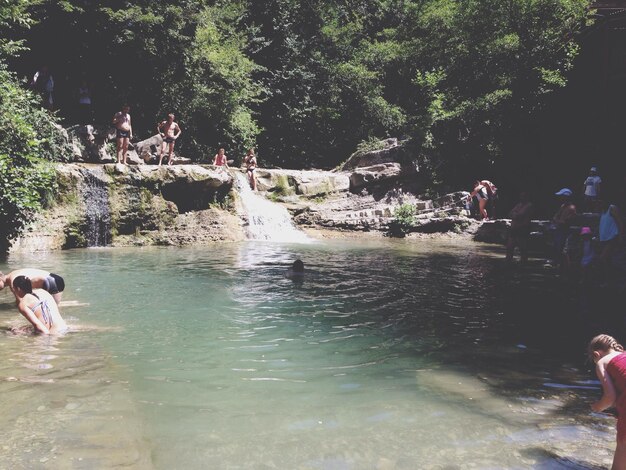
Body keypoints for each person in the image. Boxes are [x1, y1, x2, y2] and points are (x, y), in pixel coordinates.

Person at [588, 334, 626, 469]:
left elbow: (610, 397)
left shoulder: (602, 362)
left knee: (622, 447)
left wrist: (598, 407)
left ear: (596, 354)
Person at [0, 268, 66, 305]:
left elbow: (21, 302)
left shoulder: (13, 281)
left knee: (52, 313)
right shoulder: (13, 274)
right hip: (56, 279)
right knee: (53, 310)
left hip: (51, 282)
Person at [548, 188, 577, 270]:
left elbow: (565, 222)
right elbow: (556, 217)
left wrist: (557, 221)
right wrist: (558, 221)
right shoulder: (563, 206)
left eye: (561, 196)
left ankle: (567, 270)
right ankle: (561, 268)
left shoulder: (571, 208)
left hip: (565, 232)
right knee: (558, 250)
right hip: (559, 231)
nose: (560, 198)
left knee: (564, 252)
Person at [599, 201, 624, 285]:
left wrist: (621, 236)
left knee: (603, 258)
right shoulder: (603, 211)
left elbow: (620, 222)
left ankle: (608, 281)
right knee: (609, 260)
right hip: (605, 239)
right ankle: (612, 281)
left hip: (613, 238)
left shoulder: (612, 208)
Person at [506, 191, 533, 264]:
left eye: (523, 196)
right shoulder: (519, 204)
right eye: (521, 196)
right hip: (514, 229)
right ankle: (508, 262)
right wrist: (515, 214)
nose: (521, 198)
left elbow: (520, 215)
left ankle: (524, 263)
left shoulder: (529, 205)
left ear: (527, 197)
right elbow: (510, 213)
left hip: (522, 229)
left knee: (523, 247)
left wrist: (515, 214)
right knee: (509, 247)